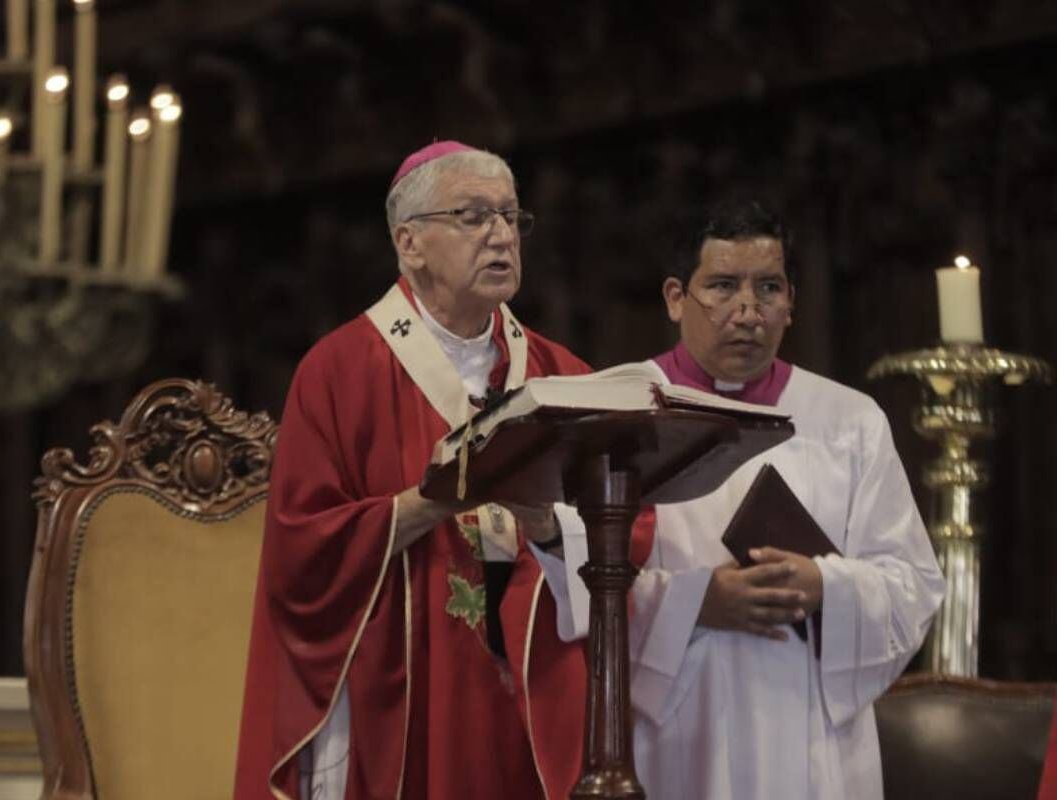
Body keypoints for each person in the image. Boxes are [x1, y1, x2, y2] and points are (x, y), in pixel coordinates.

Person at [534, 199, 946, 798]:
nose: (748, 312)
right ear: (676, 297)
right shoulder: (610, 408)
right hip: (675, 727)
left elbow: (913, 585)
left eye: (768, 288)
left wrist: (824, 585)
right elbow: (567, 584)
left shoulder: (849, 419)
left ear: (792, 303)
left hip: (808, 735)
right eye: (723, 287)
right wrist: (697, 603)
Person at [233, 141, 592, 800]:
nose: (502, 235)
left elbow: (629, 530)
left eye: (512, 217)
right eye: (473, 216)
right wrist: (433, 502)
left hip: (533, 684)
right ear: (410, 243)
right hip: (399, 685)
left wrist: (548, 528)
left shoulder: (562, 376)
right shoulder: (339, 371)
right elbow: (299, 551)